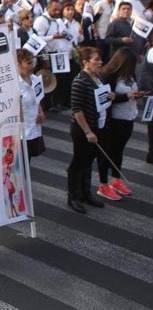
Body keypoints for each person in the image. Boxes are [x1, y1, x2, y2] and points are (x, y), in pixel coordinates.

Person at [66, 47, 110, 214]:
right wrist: (87, 131)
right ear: (85, 62)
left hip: (98, 124)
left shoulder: (98, 77)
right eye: (96, 60)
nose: (100, 62)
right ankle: (73, 196)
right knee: (78, 162)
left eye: (100, 59)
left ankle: (85, 193)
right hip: (83, 130)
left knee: (88, 161)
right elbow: (77, 110)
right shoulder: (80, 81)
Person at [99, 48, 144, 201]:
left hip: (129, 116)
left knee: (119, 150)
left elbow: (130, 92)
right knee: (108, 152)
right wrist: (126, 96)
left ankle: (116, 179)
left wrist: (135, 96)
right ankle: (103, 184)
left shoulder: (129, 75)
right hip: (114, 119)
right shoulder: (108, 75)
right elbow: (105, 98)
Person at [16, 50, 46, 161]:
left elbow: (38, 99)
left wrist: (41, 112)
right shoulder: (14, 84)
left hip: (33, 128)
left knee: (27, 161)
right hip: (19, 133)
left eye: (32, 61)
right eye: (28, 63)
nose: (32, 65)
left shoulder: (35, 79)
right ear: (18, 64)